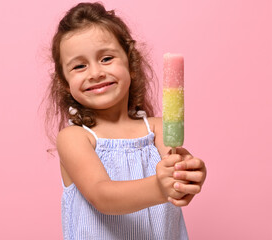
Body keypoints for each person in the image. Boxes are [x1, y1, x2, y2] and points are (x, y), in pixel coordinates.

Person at [45, 2, 207, 239]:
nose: (95, 73)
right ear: (65, 82)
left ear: (130, 64)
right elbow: (102, 196)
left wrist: (189, 175)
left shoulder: (158, 129)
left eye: (107, 58)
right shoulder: (75, 138)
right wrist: (158, 188)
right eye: (79, 66)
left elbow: (176, 176)